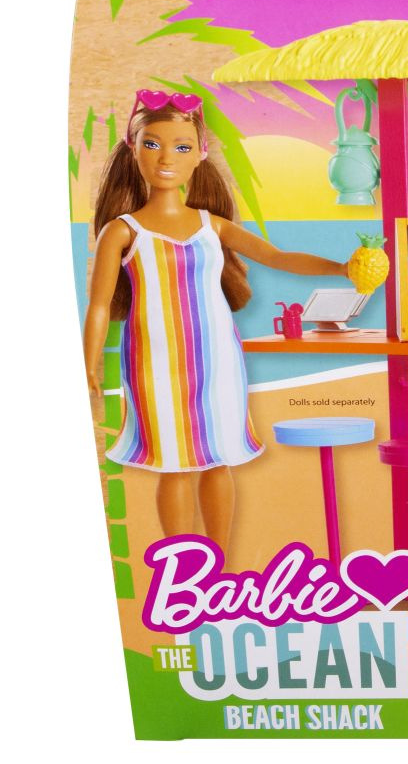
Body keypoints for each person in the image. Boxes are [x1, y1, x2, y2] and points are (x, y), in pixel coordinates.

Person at [84, 90, 347, 556]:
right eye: (152, 144)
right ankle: (183, 565)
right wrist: (88, 367)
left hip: (218, 361)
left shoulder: (212, 226)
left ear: (200, 154)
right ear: (132, 147)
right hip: (154, 363)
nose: (167, 158)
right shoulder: (123, 230)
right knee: (173, 463)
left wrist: (343, 268)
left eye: (182, 146)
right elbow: (99, 305)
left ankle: (217, 561)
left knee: (217, 457)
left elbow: (277, 257)